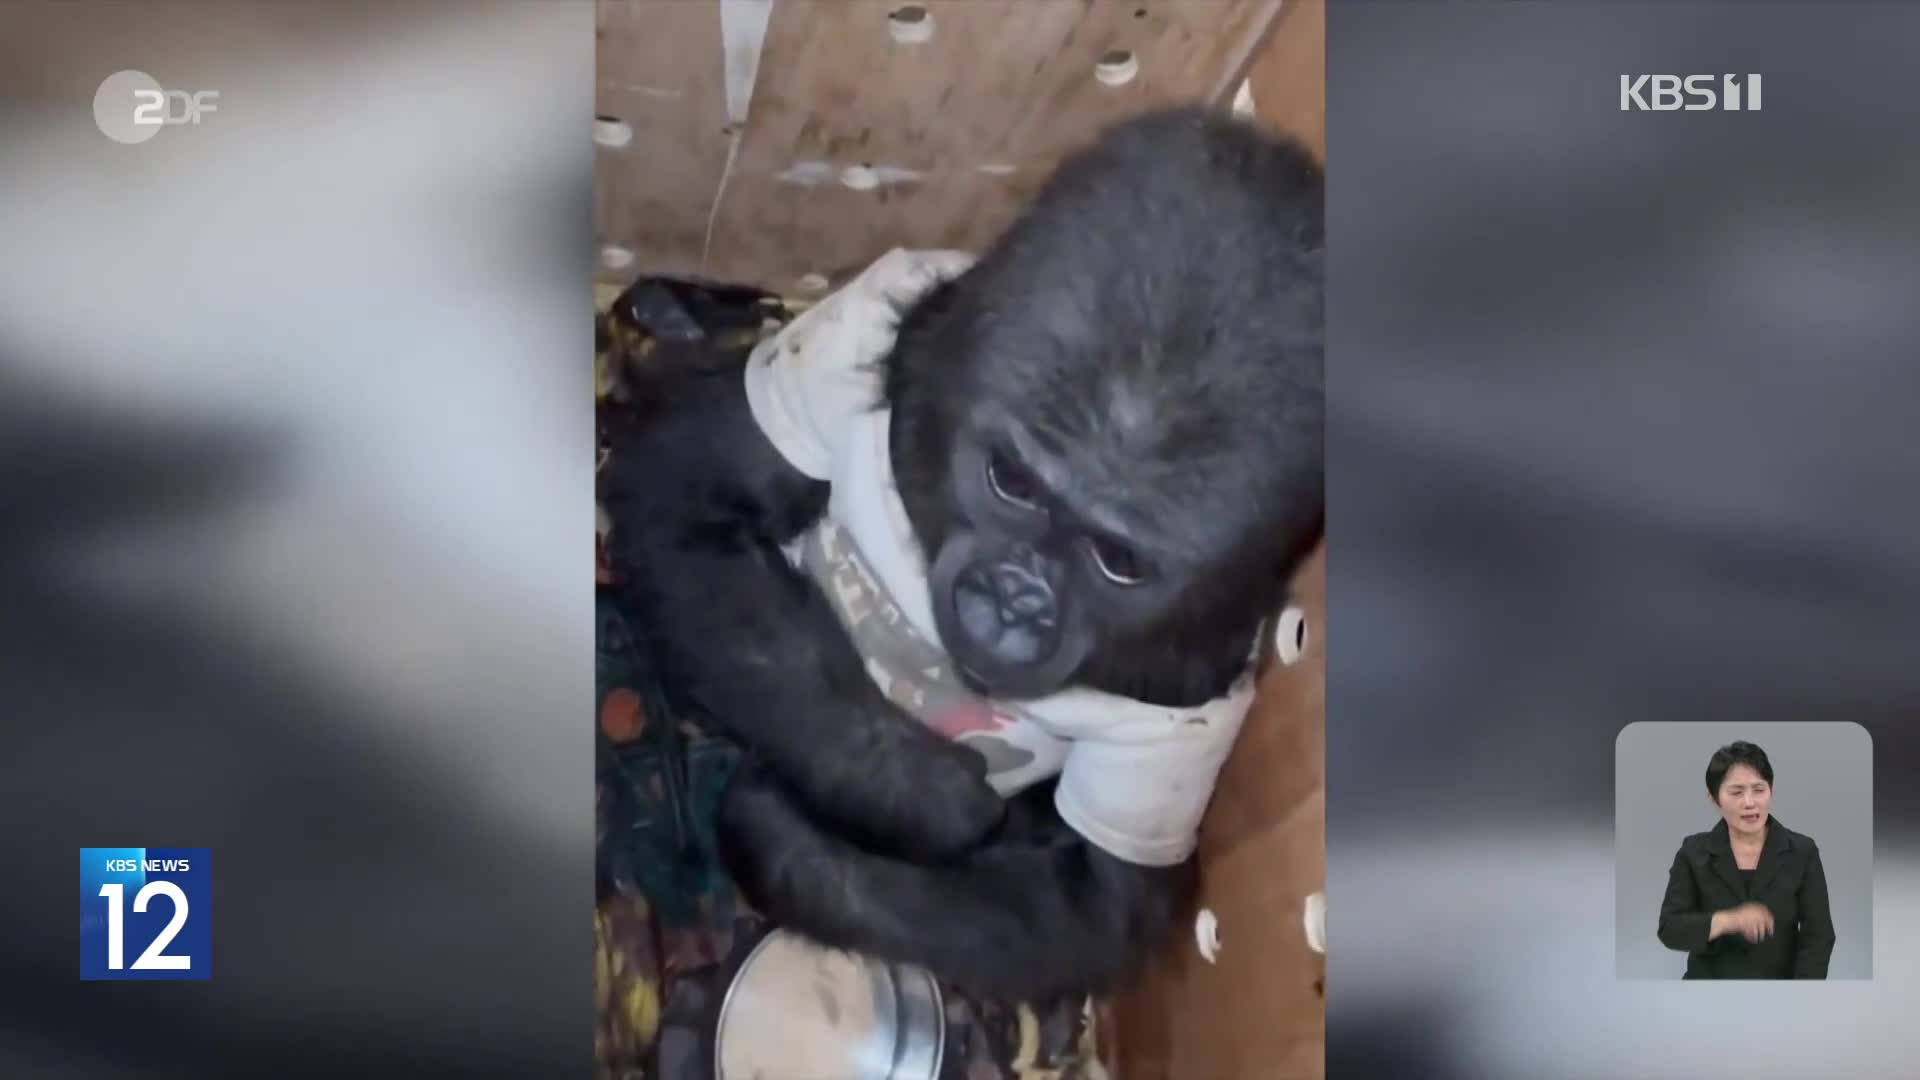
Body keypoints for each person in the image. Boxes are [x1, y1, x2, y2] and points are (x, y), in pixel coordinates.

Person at [1656, 741, 1836, 978]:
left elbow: (1819, 936)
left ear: (1771, 791)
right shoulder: (1693, 852)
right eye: (1736, 792)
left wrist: (1799, 998)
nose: (1749, 802)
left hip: (1779, 994)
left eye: (1759, 789)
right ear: (1714, 799)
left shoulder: (1802, 851)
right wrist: (1729, 920)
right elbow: (1670, 929)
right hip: (1707, 992)